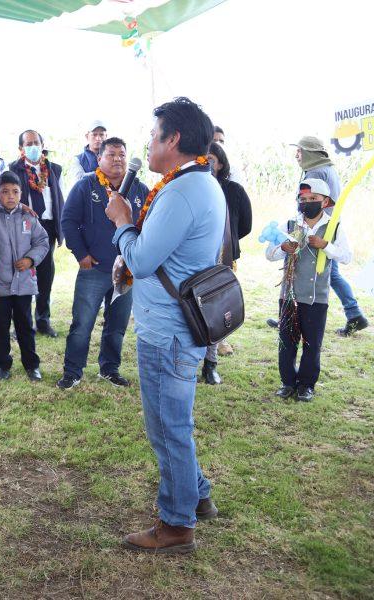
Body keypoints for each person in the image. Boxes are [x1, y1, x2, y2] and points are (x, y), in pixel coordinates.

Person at [104, 97, 223, 554]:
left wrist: (123, 224)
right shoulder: (198, 182)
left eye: (153, 135)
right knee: (174, 425)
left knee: (168, 429)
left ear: (173, 139)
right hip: (175, 327)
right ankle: (198, 493)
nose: (148, 145)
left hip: (167, 332)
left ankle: (176, 524)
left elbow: (144, 258)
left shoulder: (182, 191)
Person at [59, 137, 148, 389]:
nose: (118, 159)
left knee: (117, 324)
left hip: (126, 270)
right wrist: (81, 254)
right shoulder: (86, 186)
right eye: (111, 154)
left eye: (122, 154)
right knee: (82, 324)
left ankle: (110, 369)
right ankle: (72, 371)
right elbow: (68, 221)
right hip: (94, 268)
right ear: (99, 159)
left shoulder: (140, 189)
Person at [267, 179, 351, 402]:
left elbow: (347, 256)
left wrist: (325, 245)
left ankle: (306, 385)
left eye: (313, 199)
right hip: (289, 295)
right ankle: (287, 382)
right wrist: (282, 248)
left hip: (316, 298)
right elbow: (269, 253)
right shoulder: (290, 224)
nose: (308, 203)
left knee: (312, 344)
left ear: (325, 202)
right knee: (287, 341)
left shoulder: (334, 227)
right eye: (303, 199)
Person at [0, 171, 48, 381]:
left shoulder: (29, 218)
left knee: (25, 326)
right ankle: (3, 364)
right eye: (5, 192)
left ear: (21, 194)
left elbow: (42, 243)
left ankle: (31, 365)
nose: (10, 196)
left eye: (15, 192)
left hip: (24, 284)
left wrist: (30, 260)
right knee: (0, 326)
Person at [200, 142, 252, 384]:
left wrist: (225, 243)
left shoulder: (234, 190)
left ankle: (210, 364)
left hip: (222, 260)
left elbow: (245, 226)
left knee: (216, 309)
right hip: (195, 260)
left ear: (220, 163)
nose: (207, 163)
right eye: (203, 158)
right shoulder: (192, 187)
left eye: (211, 159)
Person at [8, 130, 65, 337]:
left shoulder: (54, 169)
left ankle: (43, 320)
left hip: (47, 228)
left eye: (36, 142)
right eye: (28, 143)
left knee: (45, 274)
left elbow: (60, 200)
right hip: (23, 227)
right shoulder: (13, 169)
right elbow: (6, 198)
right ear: (21, 148)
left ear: (42, 145)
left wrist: (60, 230)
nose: (33, 146)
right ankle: (21, 324)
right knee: (21, 274)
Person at [70, 119, 106, 186]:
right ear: (87, 136)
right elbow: (79, 179)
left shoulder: (111, 157)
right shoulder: (78, 159)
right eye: (94, 135)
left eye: (101, 135)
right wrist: (101, 173)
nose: (98, 138)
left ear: (106, 136)